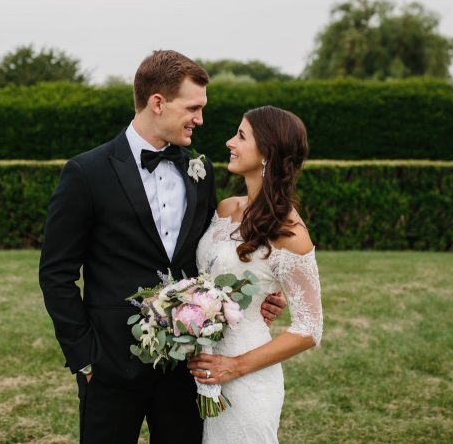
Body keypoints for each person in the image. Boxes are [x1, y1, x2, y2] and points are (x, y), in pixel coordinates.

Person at [39, 50, 287, 444]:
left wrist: (258, 298)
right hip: (110, 364)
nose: (200, 119)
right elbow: (55, 273)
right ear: (158, 102)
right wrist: (85, 356)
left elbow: (213, 257)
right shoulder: (86, 173)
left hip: (185, 366)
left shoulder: (200, 171)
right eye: (193, 107)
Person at [187, 106, 323, 443]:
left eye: (242, 136)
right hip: (199, 368)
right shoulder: (225, 209)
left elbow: (309, 329)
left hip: (247, 377)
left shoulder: (290, 233)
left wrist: (235, 366)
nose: (230, 142)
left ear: (267, 152)